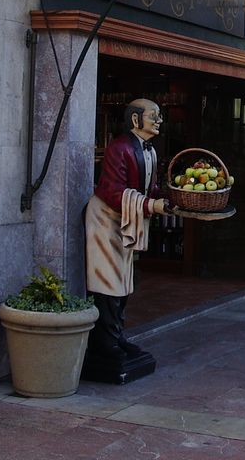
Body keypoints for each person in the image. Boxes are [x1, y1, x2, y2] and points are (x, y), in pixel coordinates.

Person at [84, 98, 176, 368]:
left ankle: (116, 335)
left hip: (126, 219)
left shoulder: (151, 151)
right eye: (153, 115)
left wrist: (168, 200)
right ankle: (104, 342)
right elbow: (112, 191)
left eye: (160, 116)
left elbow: (150, 188)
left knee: (123, 282)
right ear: (135, 120)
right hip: (106, 220)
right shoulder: (119, 148)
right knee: (107, 281)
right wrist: (151, 205)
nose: (159, 120)